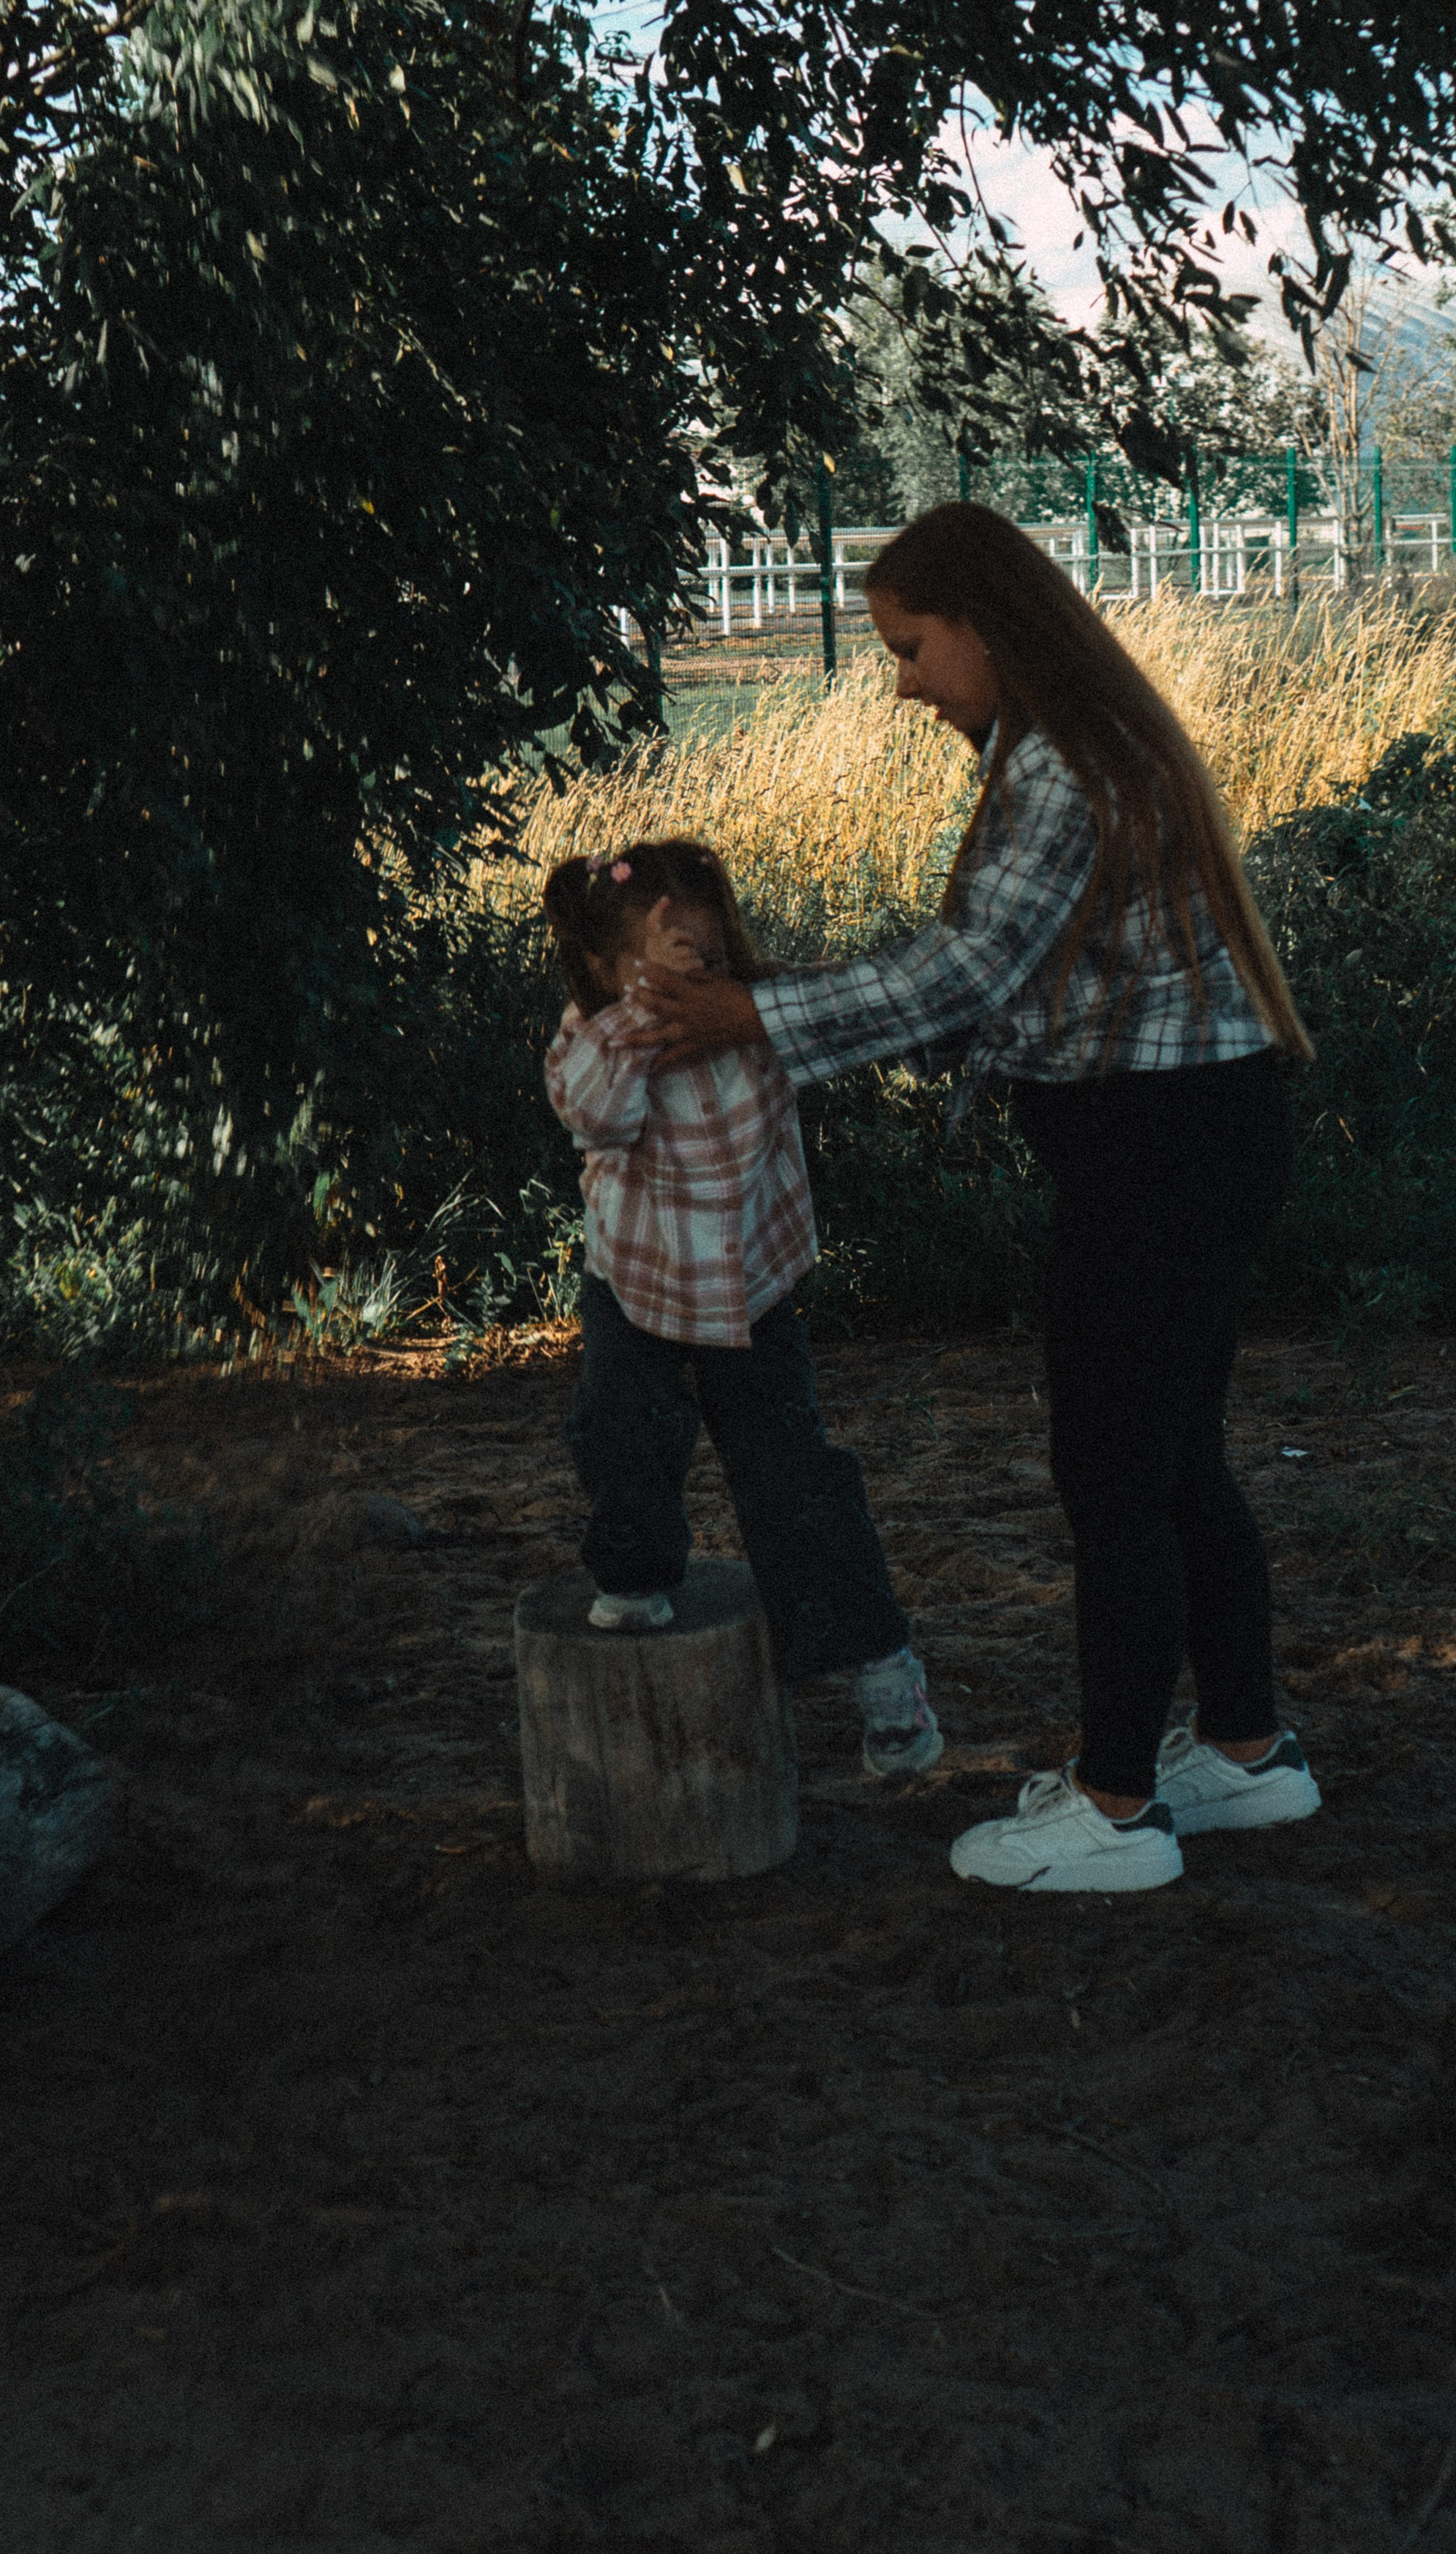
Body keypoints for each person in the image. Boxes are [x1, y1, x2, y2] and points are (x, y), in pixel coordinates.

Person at [626, 506, 1321, 1895]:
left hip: (1159, 1148)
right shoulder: (1071, 744)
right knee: (1174, 1458)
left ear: (989, 626)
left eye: (911, 646)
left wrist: (751, 1017)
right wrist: (782, 1007)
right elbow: (1004, 985)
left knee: (1113, 1473)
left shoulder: (1064, 764)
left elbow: (965, 973)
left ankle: (1115, 1810)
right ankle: (1246, 1753)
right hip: (1194, 1133)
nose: (902, 682)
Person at [541, 836, 941, 1781]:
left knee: (795, 1478)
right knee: (623, 1432)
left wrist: (731, 1003)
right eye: (668, 964)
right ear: (604, 970)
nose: (698, 983)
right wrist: (644, 1018)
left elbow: (833, 1026)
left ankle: (881, 1666)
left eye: (711, 960)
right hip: (638, 1285)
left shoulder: (755, 1021)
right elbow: (597, 1117)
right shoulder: (593, 1037)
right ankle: (636, 1576)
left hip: (752, 1292)